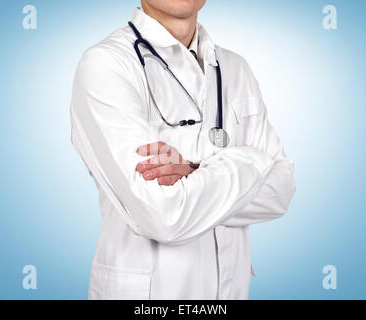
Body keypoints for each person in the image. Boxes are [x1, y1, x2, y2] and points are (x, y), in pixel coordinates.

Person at [70, 0, 296, 300]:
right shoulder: (106, 66)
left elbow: (281, 192)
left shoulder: (235, 69)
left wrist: (196, 171)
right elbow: (163, 215)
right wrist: (253, 161)